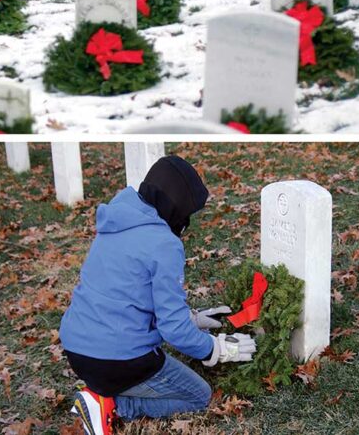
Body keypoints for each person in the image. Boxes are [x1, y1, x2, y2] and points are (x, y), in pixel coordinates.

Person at [59, 156, 256, 435]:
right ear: (177, 208)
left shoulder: (118, 218)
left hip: (77, 347)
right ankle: (110, 404)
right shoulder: (164, 244)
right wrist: (217, 349)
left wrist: (193, 319)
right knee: (198, 396)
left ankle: (102, 389)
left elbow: (127, 291)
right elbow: (173, 330)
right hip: (116, 358)